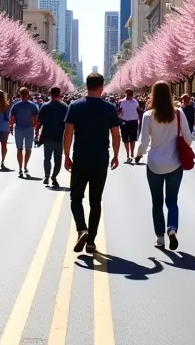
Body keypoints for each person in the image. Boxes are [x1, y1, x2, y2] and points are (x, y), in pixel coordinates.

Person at [63, 73, 121, 255]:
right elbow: (116, 135)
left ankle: (82, 229)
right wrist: (116, 155)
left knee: (75, 198)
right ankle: (91, 242)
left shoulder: (75, 106)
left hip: (80, 158)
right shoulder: (109, 109)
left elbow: (68, 133)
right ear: (102, 87)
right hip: (100, 159)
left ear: (86, 86)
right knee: (95, 202)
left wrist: (66, 155)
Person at [134, 82, 191, 250]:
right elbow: (188, 138)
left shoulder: (148, 115)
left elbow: (144, 141)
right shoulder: (178, 113)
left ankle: (159, 237)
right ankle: (172, 229)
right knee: (172, 201)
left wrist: (138, 155)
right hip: (175, 163)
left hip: (154, 164)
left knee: (156, 202)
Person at [37, 87, 69, 187]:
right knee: (58, 160)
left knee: (47, 158)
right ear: (59, 94)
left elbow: (39, 123)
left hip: (47, 137)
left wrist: (36, 135)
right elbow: (68, 125)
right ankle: (54, 177)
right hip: (60, 138)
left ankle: (46, 176)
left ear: (50, 94)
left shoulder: (44, 106)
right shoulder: (65, 107)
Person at [10, 88, 40, 178]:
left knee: (19, 149)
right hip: (28, 129)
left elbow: (12, 117)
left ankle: (20, 168)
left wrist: (11, 126)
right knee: (28, 149)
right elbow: (36, 117)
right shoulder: (33, 105)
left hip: (19, 128)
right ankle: (25, 166)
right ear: (27, 94)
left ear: (20, 94)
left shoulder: (16, 105)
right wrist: (34, 126)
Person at [118, 88, 141, 162]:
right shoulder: (121, 102)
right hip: (124, 121)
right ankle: (128, 154)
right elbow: (119, 112)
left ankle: (132, 154)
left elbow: (138, 110)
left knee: (132, 139)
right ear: (125, 94)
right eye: (128, 94)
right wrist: (118, 119)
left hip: (133, 122)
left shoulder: (135, 101)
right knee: (125, 139)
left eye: (131, 94)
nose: (130, 96)